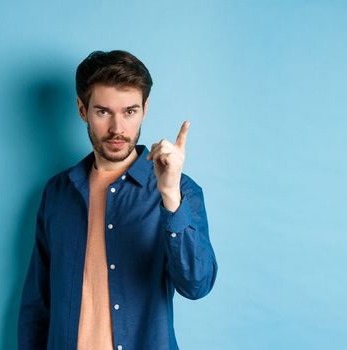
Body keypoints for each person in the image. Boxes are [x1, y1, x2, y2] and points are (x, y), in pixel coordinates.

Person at [18, 50, 217, 350]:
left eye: (129, 112)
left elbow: (197, 285)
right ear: (82, 110)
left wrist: (170, 198)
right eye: (103, 112)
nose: (117, 129)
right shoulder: (57, 193)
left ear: (145, 109)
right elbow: (38, 303)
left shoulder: (181, 191)